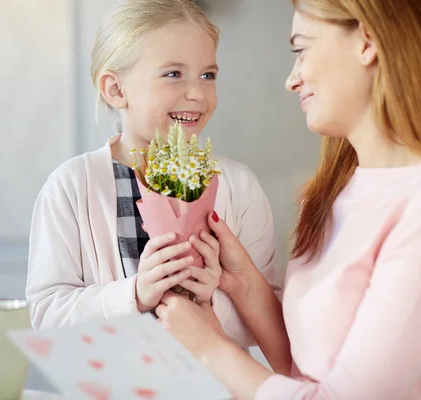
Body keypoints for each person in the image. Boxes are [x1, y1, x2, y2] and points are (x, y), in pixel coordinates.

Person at [156, 0, 421, 398]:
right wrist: (245, 284)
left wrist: (211, 351)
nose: (292, 79)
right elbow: (310, 370)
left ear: (367, 40)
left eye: (301, 49)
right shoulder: (342, 187)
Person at [25, 0, 282, 358]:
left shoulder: (237, 186)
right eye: (174, 74)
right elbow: (46, 314)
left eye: (208, 75)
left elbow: (269, 316)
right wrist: (135, 293)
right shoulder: (71, 186)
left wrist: (213, 298)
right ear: (116, 90)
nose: (197, 92)